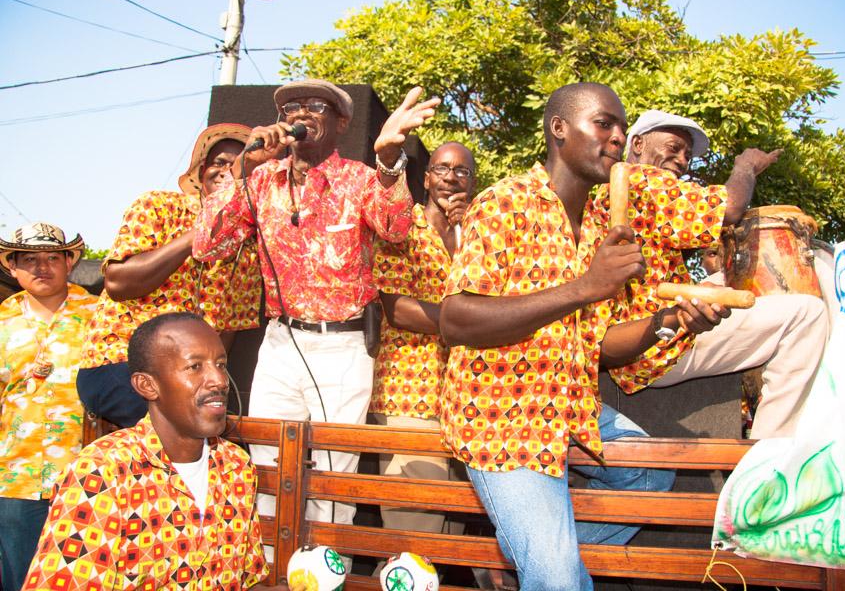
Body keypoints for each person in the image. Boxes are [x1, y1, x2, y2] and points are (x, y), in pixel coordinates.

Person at [439, 83, 680, 591]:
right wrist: (585, 287)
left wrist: (666, 322)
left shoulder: (602, 224)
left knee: (651, 473)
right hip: (502, 419)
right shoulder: (503, 203)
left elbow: (600, 347)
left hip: (570, 407)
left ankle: (531, 558)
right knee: (558, 580)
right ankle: (544, 562)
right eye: (604, 124)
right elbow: (456, 319)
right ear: (559, 129)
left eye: (621, 126)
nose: (618, 137)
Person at [192, 79, 439, 530]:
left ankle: (324, 572)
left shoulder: (361, 179)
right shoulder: (262, 180)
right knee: (268, 466)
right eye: (292, 107)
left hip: (342, 347)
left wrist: (386, 161)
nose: (300, 113)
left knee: (332, 474)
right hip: (280, 341)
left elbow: (397, 228)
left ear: (341, 122)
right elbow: (208, 245)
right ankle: (270, 571)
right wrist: (246, 167)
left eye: (315, 106)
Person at [592, 109, 827, 439]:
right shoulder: (645, 180)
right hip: (657, 345)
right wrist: (746, 166)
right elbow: (730, 209)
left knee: (732, 282)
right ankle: (770, 450)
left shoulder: (607, 188)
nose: (682, 159)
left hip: (631, 333)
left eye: (687, 153)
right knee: (808, 312)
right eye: (674, 146)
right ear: (639, 143)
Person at [23, 313, 287, 590]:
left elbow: (243, 581)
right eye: (195, 366)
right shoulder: (104, 472)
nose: (219, 380)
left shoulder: (236, 467)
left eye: (220, 364)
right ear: (147, 385)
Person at [77, 124, 262, 428]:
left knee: (218, 438)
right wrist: (203, 231)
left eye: (241, 165)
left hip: (188, 380)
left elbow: (226, 332)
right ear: (201, 172)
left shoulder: (248, 247)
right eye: (219, 162)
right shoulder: (160, 205)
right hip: (122, 364)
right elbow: (119, 283)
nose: (228, 170)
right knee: (181, 435)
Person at [370, 141, 474, 534]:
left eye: (462, 171)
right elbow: (398, 310)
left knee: (448, 539)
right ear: (427, 178)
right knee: (412, 531)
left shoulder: (477, 234)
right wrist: (467, 321)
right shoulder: (401, 225)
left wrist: (469, 235)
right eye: (443, 168)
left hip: (465, 399)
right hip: (409, 394)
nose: (451, 177)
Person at [0, 223, 98, 591]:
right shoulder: (2, 320)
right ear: (12, 267)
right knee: (18, 579)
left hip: (83, 473)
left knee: (83, 576)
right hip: (14, 477)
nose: (42, 266)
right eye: (30, 259)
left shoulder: (98, 314)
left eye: (52, 257)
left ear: (69, 262)